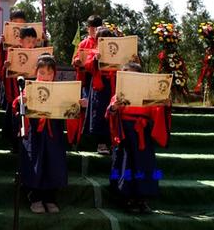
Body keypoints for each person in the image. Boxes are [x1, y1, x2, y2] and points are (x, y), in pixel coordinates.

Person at [106, 62, 171, 213]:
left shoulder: (149, 95)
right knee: (125, 165)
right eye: (127, 76)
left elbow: (157, 112)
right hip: (125, 136)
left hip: (143, 137)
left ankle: (142, 199)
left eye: (135, 75)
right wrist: (114, 108)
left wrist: (165, 104)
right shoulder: (117, 96)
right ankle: (127, 198)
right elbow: (109, 114)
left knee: (144, 166)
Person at [13, 55, 73, 214]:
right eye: (42, 72)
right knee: (35, 162)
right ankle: (35, 197)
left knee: (53, 163)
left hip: (54, 133)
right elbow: (16, 105)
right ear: (36, 72)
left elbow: (70, 108)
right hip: (35, 133)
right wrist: (22, 101)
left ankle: (50, 197)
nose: (45, 76)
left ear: (54, 74)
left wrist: (78, 104)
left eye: (49, 73)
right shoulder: (29, 88)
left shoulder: (60, 90)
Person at [72, 16, 113, 154]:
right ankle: (90, 140)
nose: (94, 30)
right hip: (90, 80)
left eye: (97, 27)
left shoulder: (109, 44)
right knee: (92, 107)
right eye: (92, 27)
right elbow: (77, 60)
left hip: (109, 81)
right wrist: (78, 61)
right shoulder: (84, 43)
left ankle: (108, 141)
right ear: (87, 28)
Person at [0, 26, 38, 150]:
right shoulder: (13, 52)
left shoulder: (39, 55)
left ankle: (30, 143)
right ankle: (16, 144)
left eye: (33, 41)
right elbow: (5, 76)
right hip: (17, 89)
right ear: (20, 41)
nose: (31, 44)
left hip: (32, 89)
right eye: (28, 41)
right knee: (16, 118)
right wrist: (6, 67)